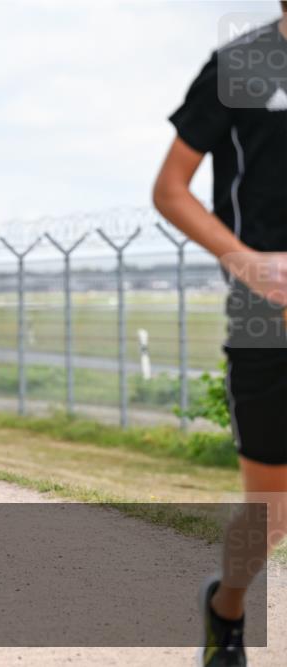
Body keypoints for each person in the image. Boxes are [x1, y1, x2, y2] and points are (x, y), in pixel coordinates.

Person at [153, 6, 287, 666]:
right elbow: (171, 189)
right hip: (267, 320)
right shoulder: (242, 65)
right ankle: (226, 606)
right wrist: (251, 263)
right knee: (271, 510)